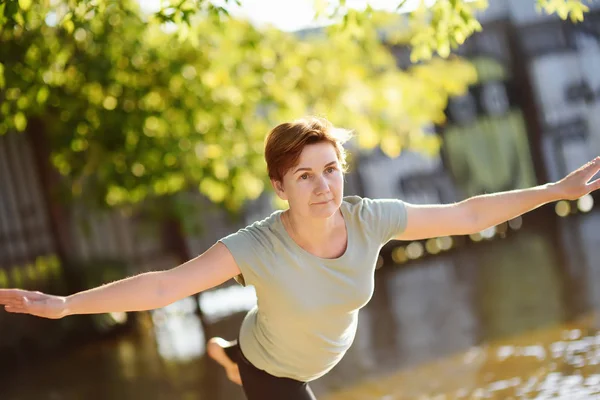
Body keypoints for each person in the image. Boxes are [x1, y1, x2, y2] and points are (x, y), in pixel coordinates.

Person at [1, 116, 599, 400]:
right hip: (278, 372)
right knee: (266, 374)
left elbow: (466, 215)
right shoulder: (258, 245)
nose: (323, 187)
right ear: (280, 186)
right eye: (305, 175)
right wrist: (66, 304)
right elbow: (164, 287)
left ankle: (229, 358)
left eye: (331, 170)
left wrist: (553, 192)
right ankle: (240, 365)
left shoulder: (371, 217)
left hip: (313, 354)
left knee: (246, 355)